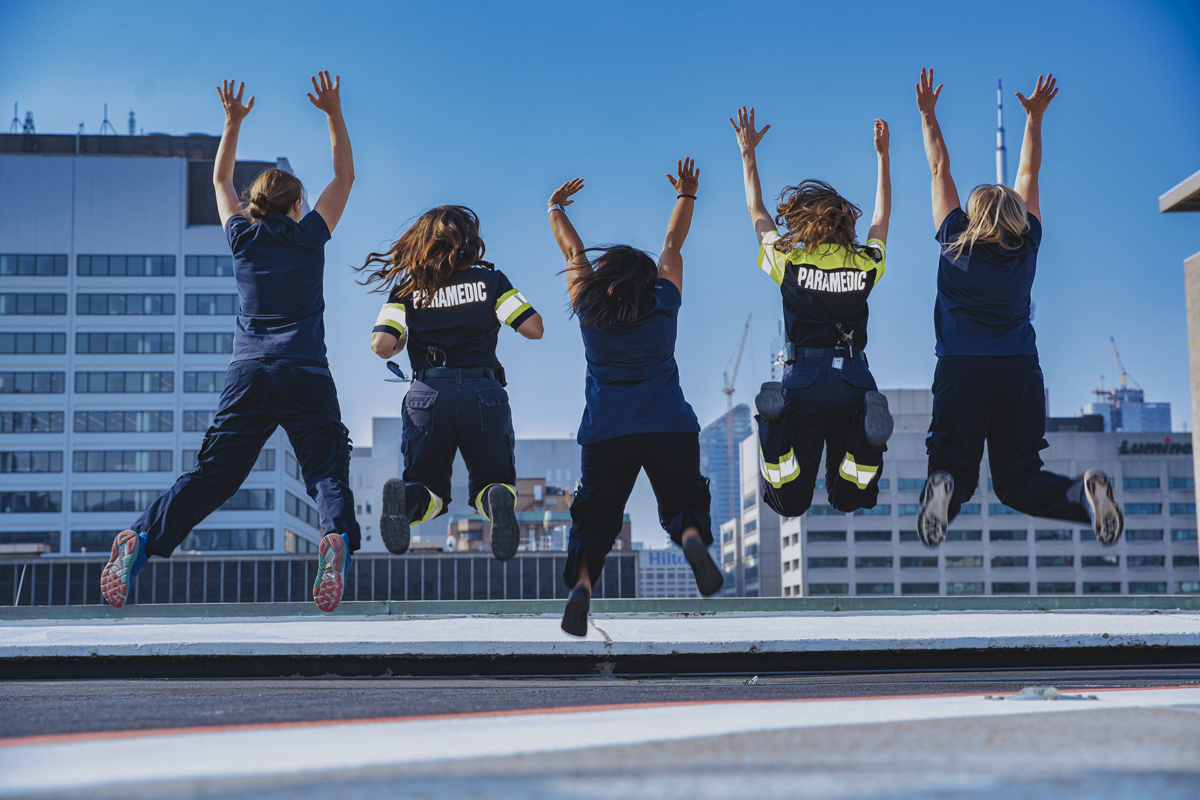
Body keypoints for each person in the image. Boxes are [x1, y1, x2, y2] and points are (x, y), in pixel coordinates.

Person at [100, 73, 360, 611]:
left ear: (257, 203)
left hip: (248, 373)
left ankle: (140, 539)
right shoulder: (311, 237)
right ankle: (334, 538)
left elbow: (220, 179)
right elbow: (344, 176)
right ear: (298, 206)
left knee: (213, 476)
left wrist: (232, 123)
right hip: (305, 371)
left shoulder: (242, 237)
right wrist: (333, 113)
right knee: (325, 473)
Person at [914, 69, 1122, 546]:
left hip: (962, 370)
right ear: (1015, 215)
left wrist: (928, 115)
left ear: (972, 214)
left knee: (953, 467)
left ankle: (943, 486)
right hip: (1019, 371)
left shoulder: (954, 239)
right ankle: (1082, 497)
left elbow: (939, 168)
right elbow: (1028, 173)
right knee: (1018, 479)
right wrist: (1034, 119)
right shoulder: (1026, 245)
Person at [549, 159, 723, 638]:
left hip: (607, 432)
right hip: (669, 424)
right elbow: (672, 245)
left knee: (595, 520)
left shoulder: (588, 307)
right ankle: (691, 537)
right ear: (646, 279)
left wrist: (555, 207)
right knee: (682, 501)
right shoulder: (662, 305)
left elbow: (573, 251)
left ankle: (582, 586)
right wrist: (686, 194)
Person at [731, 107, 894, 521]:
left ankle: (774, 427)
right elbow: (881, 220)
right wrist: (883, 158)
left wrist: (748, 154)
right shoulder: (864, 262)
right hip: (855, 380)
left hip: (802, 379)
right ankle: (867, 442)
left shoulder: (790, 260)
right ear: (846, 224)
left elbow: (757, 212)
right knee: (849, 494)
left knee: (790, 499)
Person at [365, 207, 544, 559]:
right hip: (483, 393)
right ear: (468, 239)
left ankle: (406, 501)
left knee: (428, 488)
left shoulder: (408, 287)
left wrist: (404, 341)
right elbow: (533, 328)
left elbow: (381, 344)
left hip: (428, 396)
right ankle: (497, 499)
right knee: (493, 482)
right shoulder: (491, 281)